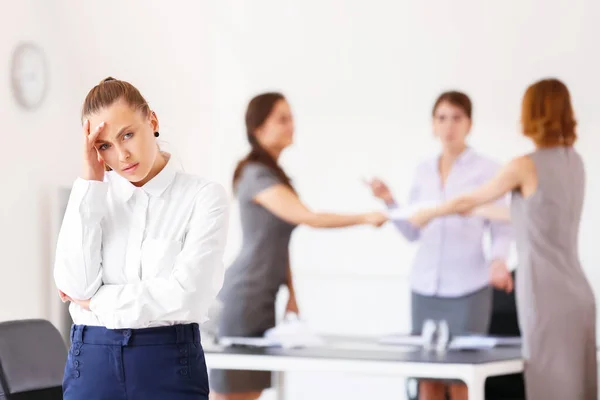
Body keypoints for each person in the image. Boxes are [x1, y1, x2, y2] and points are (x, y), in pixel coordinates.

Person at [409, 78, 597, 400]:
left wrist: (431, 213)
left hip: (544, 292)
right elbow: (533, 218)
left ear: (531, 113)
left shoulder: (523, 166)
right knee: (576, 389)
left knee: (548, 385)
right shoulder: (575, 162)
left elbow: (466, 200)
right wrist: (477, 211)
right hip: (577, 293)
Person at [53, 77, 229, 400]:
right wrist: (90, 182)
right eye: (104, 145)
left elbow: (188, 296)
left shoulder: (204, 198)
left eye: (127, 135)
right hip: (91, 363)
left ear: (153, 120)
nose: (121, 155)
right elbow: (73, 285)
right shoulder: (94, 198)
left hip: (169, 364)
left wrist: (96, 302)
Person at [209, 92, 388, 400]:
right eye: (282, 119)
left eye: (290, 117)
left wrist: (292, 293)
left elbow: (281, 242)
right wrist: (365, 217)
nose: (291, 125)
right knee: (231, 397)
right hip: (243, 300)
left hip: (263, 300)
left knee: (249, 394)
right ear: (258, 128)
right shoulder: (255, 175)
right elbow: (310, 218)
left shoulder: (274, 175)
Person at [366, 91, 513, 400]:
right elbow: (412, 232)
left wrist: (498, 261)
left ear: (469, 124)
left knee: (461, 378)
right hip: (424, 288)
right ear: (433, 125)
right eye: (442, 118)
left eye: (457, 118)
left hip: (468, 289)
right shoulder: (423, 170)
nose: (449, 126)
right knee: (427, 378)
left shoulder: (488, 170)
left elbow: (502, 226)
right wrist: (390, 202)